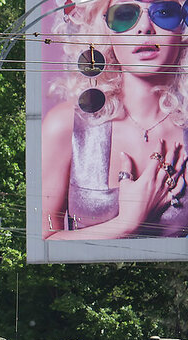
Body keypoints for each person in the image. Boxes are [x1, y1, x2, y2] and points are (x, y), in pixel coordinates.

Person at [41, 0, 188, 239]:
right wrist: (125, 223)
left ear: (183, 27)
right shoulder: (64, 126)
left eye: (163, 12)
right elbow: (42, 244)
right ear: (105, 29)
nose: (144, 28)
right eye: (125, 14)